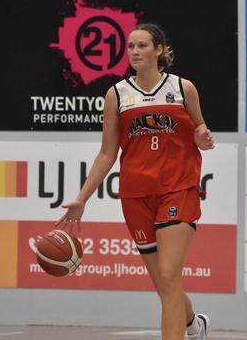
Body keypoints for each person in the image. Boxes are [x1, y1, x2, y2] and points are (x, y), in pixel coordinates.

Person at [57, 23, 214, 340]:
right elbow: (106, 153)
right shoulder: (117, 94)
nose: (134, 51)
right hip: (136, 195)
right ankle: (194, 326)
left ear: (159, 50)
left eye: (142, 45)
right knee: (163, 284)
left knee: (170, 275)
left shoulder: (184, 88)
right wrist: (81, 198)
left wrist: (202, 136)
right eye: (130, 46)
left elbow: (200, 128)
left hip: (177, 189)